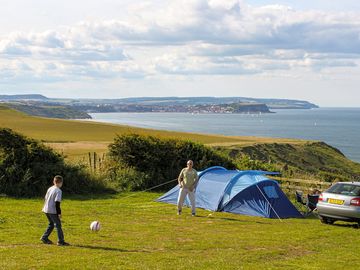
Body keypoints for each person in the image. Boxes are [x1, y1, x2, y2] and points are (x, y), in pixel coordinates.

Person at [40, 175, 70, 246]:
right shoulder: (58, 191)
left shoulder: (50, 188)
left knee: (51, 224)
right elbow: (57, 203)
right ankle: (61, 241)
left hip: (46, 209)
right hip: (52, 210)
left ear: (54, 181)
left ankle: (44, 238)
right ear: (61, 183)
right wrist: (59, 213)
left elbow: (45, 198)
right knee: (58, 225)